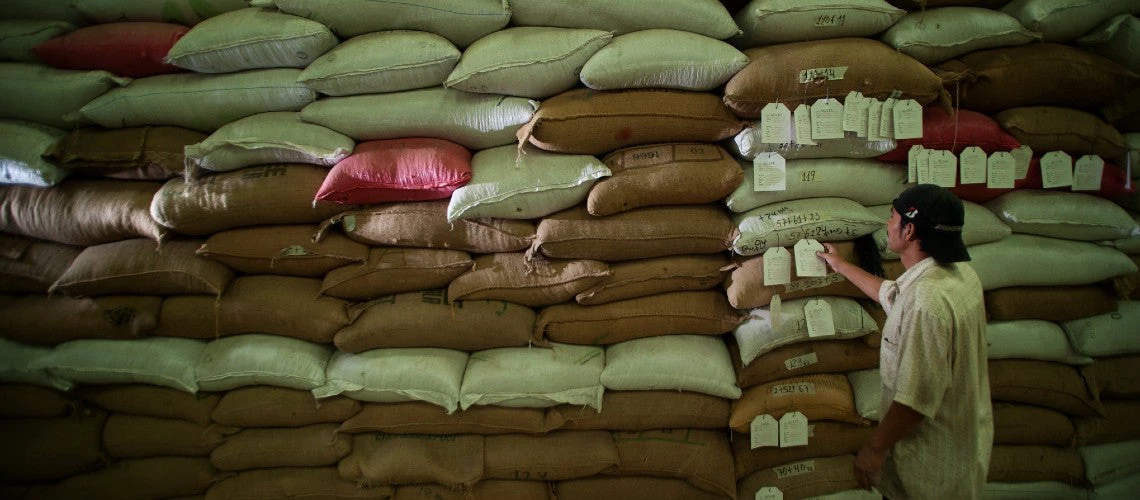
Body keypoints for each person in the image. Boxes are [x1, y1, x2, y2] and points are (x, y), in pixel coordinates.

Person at [815, 183, 992, 498]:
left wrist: (875, 448)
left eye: (891, 217)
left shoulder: (927, 302)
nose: (886, 224)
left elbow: (915, 399)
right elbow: (892, 294)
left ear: (909, 231)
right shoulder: (960, 276)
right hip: (962, 449)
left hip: (931, 468)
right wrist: (841, 265)